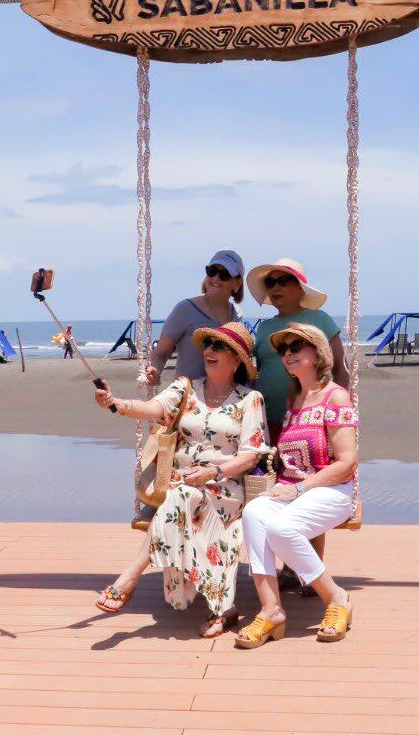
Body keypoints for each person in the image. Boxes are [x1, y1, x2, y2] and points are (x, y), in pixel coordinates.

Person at [92, 322, 270, 637]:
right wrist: (117, 405)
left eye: (220, 347)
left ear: (237, 360)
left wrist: (212, 472)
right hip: (182, 482)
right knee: (182, 495)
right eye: (209, 345)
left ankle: (128, 579)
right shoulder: (187, 388)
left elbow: (250, 455)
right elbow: (153, 408)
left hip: (224, 487)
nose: (210, 351)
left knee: (182, 496)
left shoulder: (249, 399)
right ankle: (224, 609)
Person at [235, 322, 358, 648]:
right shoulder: (295, 401)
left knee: (281, 529)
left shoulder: (336, 397)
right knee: (254, 512)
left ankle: (336, 598)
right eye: (283, 350)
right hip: (293, 491)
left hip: (333, 491)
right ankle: (271, 610)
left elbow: (347, 463)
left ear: (317, 354)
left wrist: (301, 488)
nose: (287, 354)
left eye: (295, 348)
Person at [246, 258, 349, 436]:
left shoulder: (320, 319)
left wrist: (335, 412)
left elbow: (341, 369)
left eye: (283, 282)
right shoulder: (264, 327)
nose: (275, 288)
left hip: (310, 418)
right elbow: (259, 371)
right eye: (270, 283)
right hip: (265, 418)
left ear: (299, 287)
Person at [140, 250, 244, 387]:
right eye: (212, 271)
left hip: (225, 402)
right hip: (187, 400)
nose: (216, 278)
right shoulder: (185, 309)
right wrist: (155, 372)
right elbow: (161, 352)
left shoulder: (237, 314)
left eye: (224, 274)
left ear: (237, 283)